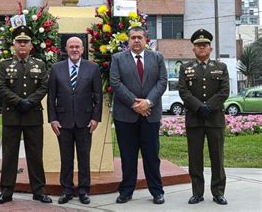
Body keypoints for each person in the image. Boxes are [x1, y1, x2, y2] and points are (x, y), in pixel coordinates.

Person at [0, 25, 52, 205]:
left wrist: (31, 101)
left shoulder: (40, 65)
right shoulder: (4, 65)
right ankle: (6, 191)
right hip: (12, 116)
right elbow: (1, 87)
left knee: (35, 155)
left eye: (25, 42)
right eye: (19, 42)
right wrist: (19, 102)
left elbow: (44, 86)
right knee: (9, 156)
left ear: (31, 45)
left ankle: (39, 191)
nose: (22, 45)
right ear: (14, 44)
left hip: (33, 116)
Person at [110, 27, 167, 205]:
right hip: (126, 116)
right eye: (133, 37)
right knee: (128, 156)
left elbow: (162, 81)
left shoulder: (157, 57)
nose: (136, 40)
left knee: (151, 156)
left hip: (150, 115)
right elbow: (115, 82)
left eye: (139, 37)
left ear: (145, 40)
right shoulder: (117, 59)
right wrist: (135, 104)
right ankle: (126, 191)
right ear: (128, 40)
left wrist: (147, 102)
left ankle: (157, 191)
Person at [47, 36, 103, 205]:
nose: (74, 50)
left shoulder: (92, 68)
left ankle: (84, 190)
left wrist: (95, 118)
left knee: (84, 157)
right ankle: (67, 190)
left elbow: (98, 96)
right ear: (66, 49)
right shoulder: (56, 69)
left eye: (77, 46)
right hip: (63, 122)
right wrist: (53, 119)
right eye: (71, 47)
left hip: (85, 121)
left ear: (83, 49)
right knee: (66, 157)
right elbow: (51, 97)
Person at [178, 28, 230, 205]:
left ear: (210, 48)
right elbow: (183, 92)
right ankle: (197, 192)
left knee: (217, 157)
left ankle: (218, 192)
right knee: (195, 158)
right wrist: (200, 107)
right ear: (193, 49)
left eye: (205, 45)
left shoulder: (221, 67)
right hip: (195, 119)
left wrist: (209, 107)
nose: (201, 47)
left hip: (215, 119)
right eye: (198, 45)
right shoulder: (186, 68)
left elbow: (224, 92)